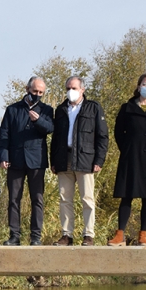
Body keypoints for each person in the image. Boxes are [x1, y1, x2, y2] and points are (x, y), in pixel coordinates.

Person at [108, 74, 146, 247]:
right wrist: (128, 148)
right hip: (131, 157)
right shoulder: (127, 108)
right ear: (138, 87)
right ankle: (119, 234)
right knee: (126, 195)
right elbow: (118, 132)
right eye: (144, 84)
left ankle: (143, 234)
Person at [50, 76, 109, 246]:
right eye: (68, 88)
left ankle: (88, 235)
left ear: (82, 89)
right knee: (65, 198)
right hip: (63, 158)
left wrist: (99, 159)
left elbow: (102, 136)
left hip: (85, 159)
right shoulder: (61, 109)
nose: (71, 91)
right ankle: (67, 235)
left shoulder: (93, 108)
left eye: (74, 88)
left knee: (87, 198)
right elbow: (56, 138)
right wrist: (53, 160)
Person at [0, 76, 54, 245]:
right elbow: (4, 134)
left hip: (36, 160)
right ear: (27, 89)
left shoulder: (46, 110)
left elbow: (50, 129)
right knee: (14, 199)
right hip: (15, 160)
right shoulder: (13, 109)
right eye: (35, 91)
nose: (37, 94)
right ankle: (14, 236)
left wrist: (38, 120)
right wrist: (3, 156)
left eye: (41, 92)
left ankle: (35, 237)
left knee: (37, 199)